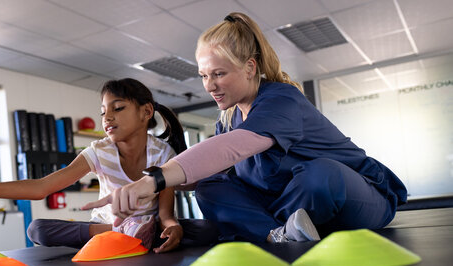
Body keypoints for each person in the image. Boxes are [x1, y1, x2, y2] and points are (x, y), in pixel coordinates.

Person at [82, 13, 407, 244]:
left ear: (250, 67)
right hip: (294, 209)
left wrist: (154, 179)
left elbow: (234, 147)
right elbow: (204, 170)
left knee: (319, 175)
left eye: (219, 74)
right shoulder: (230, 118)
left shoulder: (281, 100)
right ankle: (277, 236)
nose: (210, 85)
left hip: (357, 198)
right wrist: (146, 189)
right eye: (204, 76)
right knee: (210, 187)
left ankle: (274, 227)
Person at [0, 78, 199, 253]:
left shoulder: (163, 154)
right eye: (103, 112)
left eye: (118, 108)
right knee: (37, 230)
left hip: (150, 224)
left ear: (146, 112)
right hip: (105, 231)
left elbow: (166, 211)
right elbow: (42, 187)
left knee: (206, 229)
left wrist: (171, 227)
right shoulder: (99, 152)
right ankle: (126, 233)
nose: (107, 118)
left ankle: (141, 232)